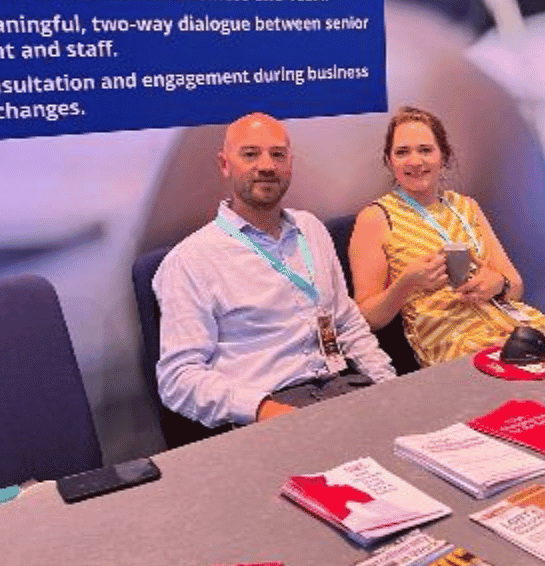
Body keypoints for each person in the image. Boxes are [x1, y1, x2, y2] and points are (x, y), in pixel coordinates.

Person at [153, 112, 396, 428]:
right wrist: (263, 410)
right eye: (250, 154)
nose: (267, 166)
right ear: (225, 165)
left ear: (290, 165)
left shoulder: (311, 229)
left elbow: (346, 322)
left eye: (277, 155)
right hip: (268, 407)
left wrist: (388, 385)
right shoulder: (191, 260)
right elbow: (178, 378)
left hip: (344, 388)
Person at [348, 106, 545, 366]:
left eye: (425, 150)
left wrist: (497, 284)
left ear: (443, 156)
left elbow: (516, 284)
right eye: (402, 152)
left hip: (516, 328)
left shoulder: (466, 206)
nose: (415, 161)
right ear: (389, 162)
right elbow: (366, 317)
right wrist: (407, 282)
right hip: (455, 345)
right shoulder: (375, 218)